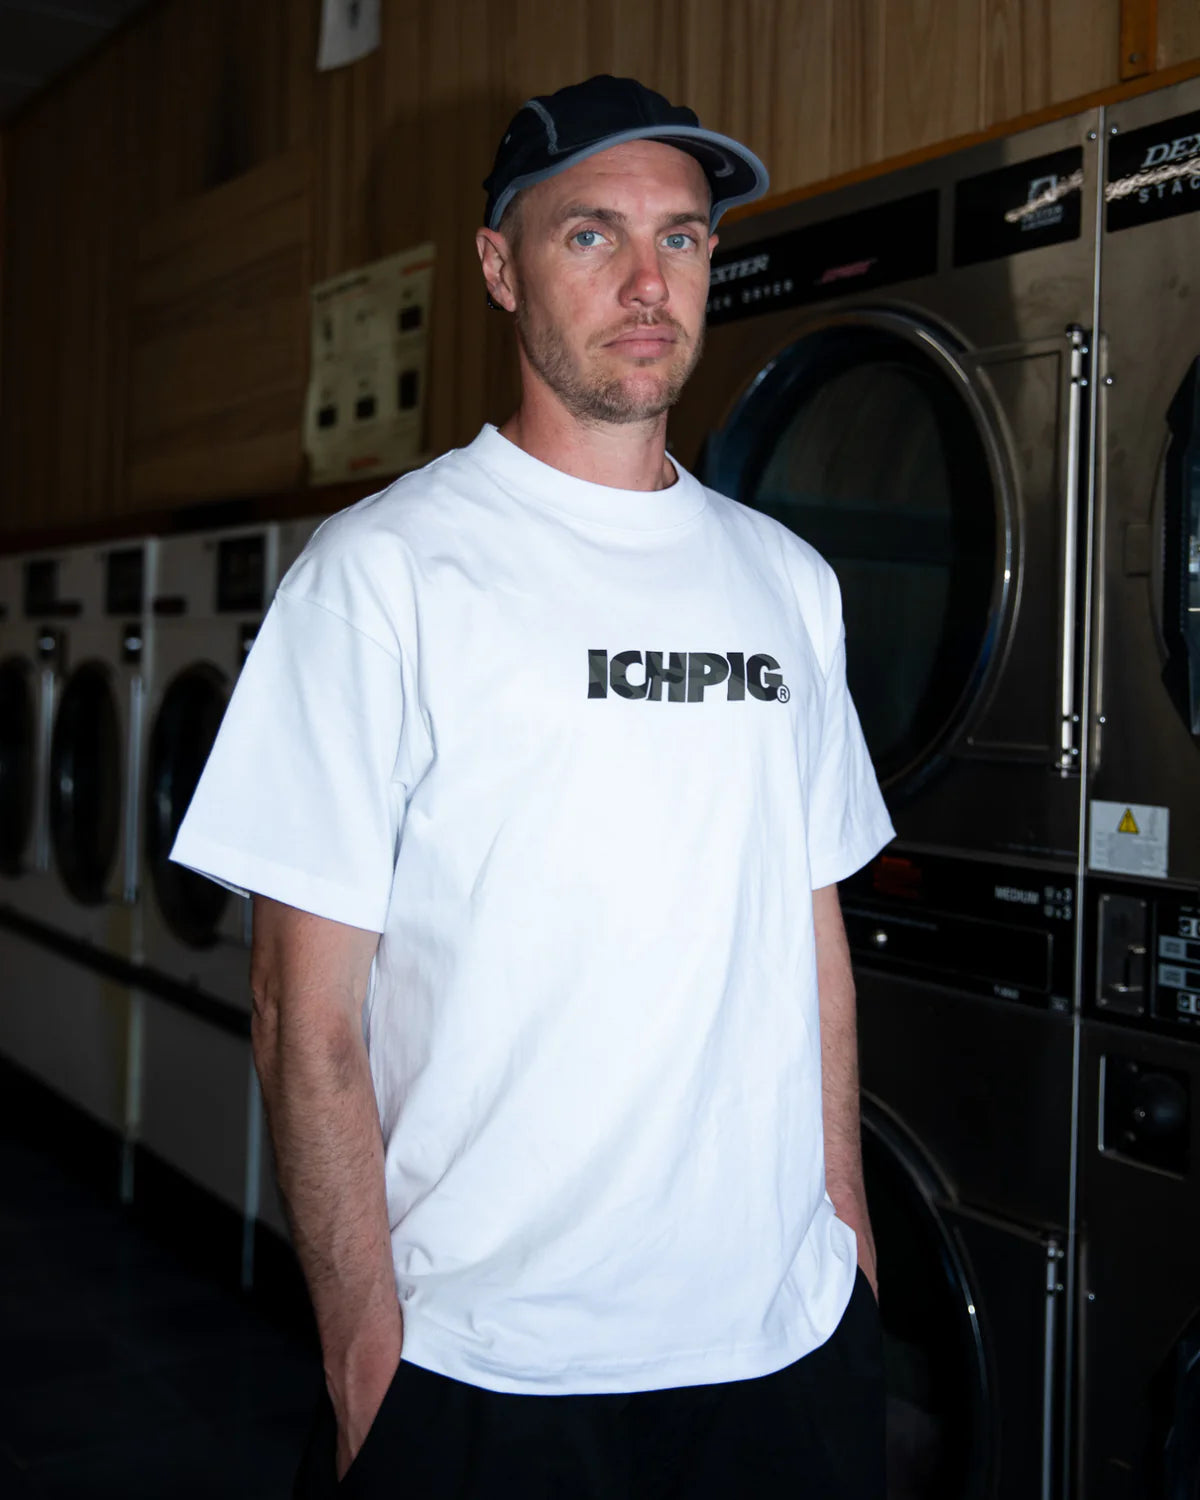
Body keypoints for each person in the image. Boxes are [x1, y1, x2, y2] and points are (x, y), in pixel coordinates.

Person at [171, 73, 895, 1500]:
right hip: (483, 1366)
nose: (647, 281)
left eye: (680, 238)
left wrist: (848, 1236)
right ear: (500, 268)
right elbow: (300, 1014)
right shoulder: (381, 576)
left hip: (783, 1345)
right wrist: (365, 1359)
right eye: (591, 235)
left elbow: (811, 943)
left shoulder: (788, 584)